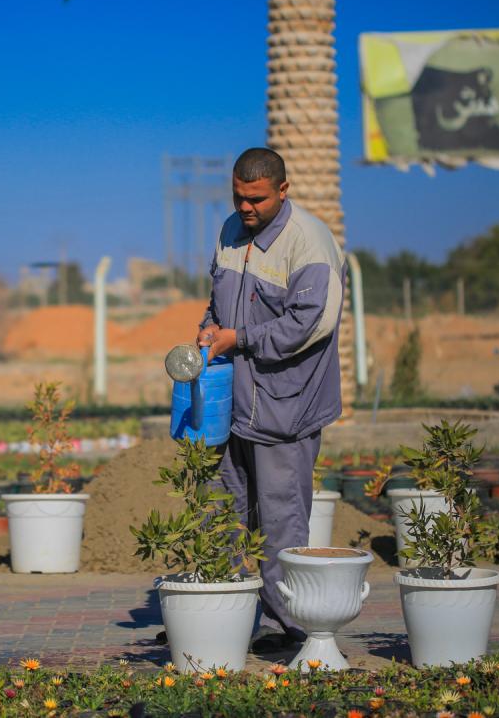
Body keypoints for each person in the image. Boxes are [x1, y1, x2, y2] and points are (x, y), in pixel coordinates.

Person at [197, 147, 345, 651]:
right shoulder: (229, 231)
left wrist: (238, 338)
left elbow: (309, 324)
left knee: (282, 520)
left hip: (287, 405)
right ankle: (226, 616)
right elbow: (217, 301)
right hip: (233, 404)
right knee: (225, 510)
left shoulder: (310, 244)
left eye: (256, 199)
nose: (245, 209)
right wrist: (209, 331)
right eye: (238, 198)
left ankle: (294, 628)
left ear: (283, 190)